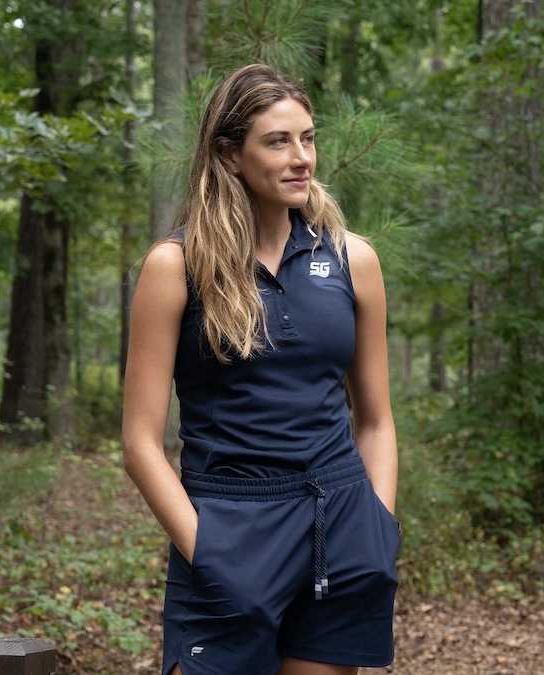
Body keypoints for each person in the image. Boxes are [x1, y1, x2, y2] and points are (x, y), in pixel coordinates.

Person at [122, 63, 400, 675]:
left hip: (340, 526)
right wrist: (207, 553)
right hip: (229, 526)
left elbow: (376, 419)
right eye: (278, 141)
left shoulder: (353, 259)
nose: (302, 158)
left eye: (308, 138)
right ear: (229, 155)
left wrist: (378, 529)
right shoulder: (176, 267)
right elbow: (140, 443)